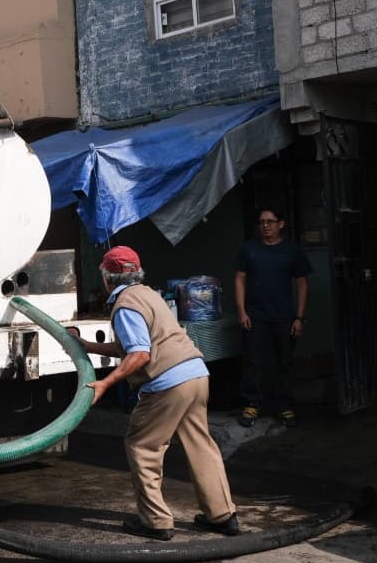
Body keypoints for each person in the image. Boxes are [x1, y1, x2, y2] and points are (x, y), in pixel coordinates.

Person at [80, 246, 238, 541]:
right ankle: (222, 515)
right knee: (200, 443)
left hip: (167, 383)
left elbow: (139, 354)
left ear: (106, 278)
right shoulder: (150, 295)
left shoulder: (125, 304)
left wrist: (105, 383)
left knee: (142, 446)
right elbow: (133, 345)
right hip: (195, 373)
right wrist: (89, 346)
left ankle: (155, 521)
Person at [235, 207, 312, 428]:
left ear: (281, 224)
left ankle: (284, 405)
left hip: (284, 317)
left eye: (270, 221)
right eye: (261, 222)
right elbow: (240, 279)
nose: (265, 225)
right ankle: (252, 404)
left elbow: (302, 284)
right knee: (253, 361)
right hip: (255, 316)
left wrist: (299, 317)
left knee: (284, 363)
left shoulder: (291, 251)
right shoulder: (248, 249)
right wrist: (242, 312)